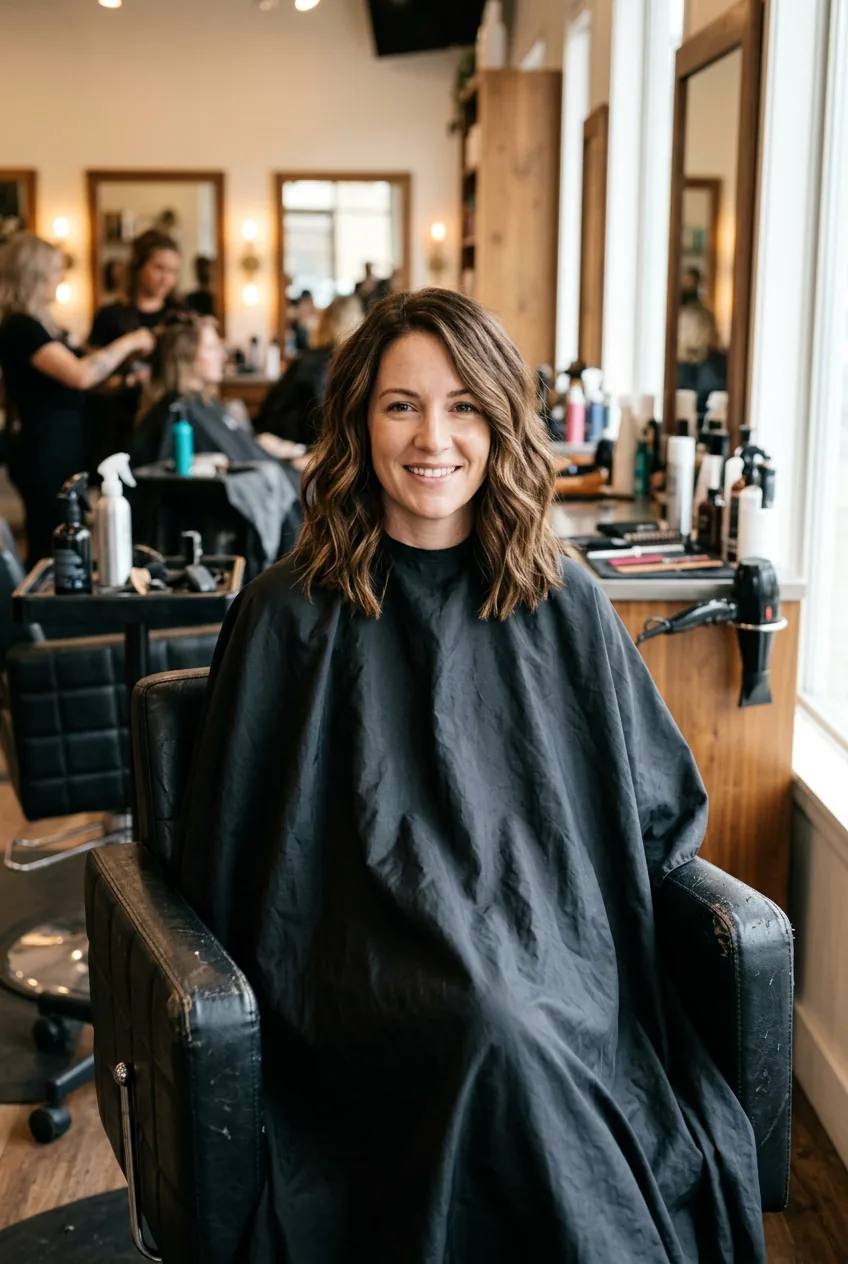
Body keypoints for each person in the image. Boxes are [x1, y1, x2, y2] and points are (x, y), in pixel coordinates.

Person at [181, 289, 765, 1262]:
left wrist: (535, 894)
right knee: (488, 1024)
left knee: (507, 1022)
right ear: (358, 422)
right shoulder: (289, 612)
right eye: (399, 405)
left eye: (462, 406)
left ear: (499, 423)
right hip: (353, 976)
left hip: (552, 958)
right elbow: (236, 849)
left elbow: (657, 814)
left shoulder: (564, 600)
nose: (431, 437)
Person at [0, 232, 153, 565]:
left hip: (64, 444)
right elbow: (80, 375)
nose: (61, 278)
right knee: (49, 540)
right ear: (35, 275)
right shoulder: (20, 328)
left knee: (67, 535)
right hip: (43, 450)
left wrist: (127, 378)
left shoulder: (44, 325)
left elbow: (83, 382)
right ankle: (36, 614)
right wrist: (130, 342)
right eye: (56, 270)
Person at [133, 313, 302, 568]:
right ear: (186, 356)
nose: (222, 356)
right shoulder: (180, 413)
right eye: (211, 348)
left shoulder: (206, 406)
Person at [87, 228, 183, 460]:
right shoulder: (110, 316)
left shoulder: (180, 316)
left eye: (173, 271)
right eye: (159, 268)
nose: (166, 278)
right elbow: (92, 380)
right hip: (118, 424)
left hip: (166, 423)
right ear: (139, 266)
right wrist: (129, 380)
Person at [256, 294, 363, 446]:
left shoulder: (307, 360)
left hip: (294, 440)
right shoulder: (342, 364)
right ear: (356, 321)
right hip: (307, 445)